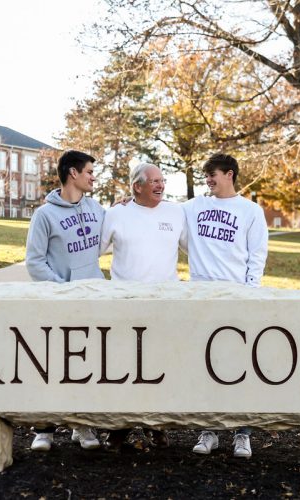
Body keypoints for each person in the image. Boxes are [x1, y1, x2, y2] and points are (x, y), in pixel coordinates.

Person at [183, 153, 268, 458]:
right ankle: (209, 431)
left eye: (213, 175)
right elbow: (160, 215)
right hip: (202, 297)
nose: (208, 181)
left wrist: (249, 293)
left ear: (229, 174)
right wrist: (131, 201)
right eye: (206, 176)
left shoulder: (250, 211)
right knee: (206, 366)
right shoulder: (194, 207)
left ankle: (242, 434)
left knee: (239, 367)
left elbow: (257, 254)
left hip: (237, 297)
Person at [99, 162, 187, 448]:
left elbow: (197, 247)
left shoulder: (176, 212)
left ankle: (156, 424)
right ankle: (120, 426)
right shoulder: (116, 213)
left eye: (163, 180)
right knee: (121, 366)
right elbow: (95, 250)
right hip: (124, 303)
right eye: (154, 182)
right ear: (137, 186)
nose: (161, 185)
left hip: (165, 303)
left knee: (159, 365)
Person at [25, 149, 104, 452]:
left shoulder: (97, 209)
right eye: (89, 172)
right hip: (59, 302)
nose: (93, 177)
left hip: (92, 301)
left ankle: (82, 425)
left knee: (87, 366)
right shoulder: (44, 215)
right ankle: (44, 429)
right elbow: (34, 262)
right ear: (73, 173)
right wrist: (62, 288)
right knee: (51, 365)